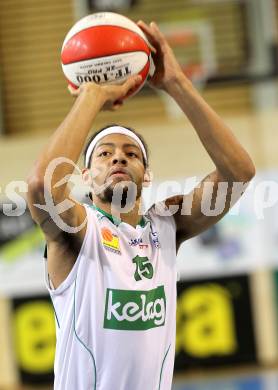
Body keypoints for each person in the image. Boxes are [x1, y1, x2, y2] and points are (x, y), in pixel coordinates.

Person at [27, 21, 255, 390]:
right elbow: (41, 186)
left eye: (131, 154)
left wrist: (177, 84)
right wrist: (93, 95)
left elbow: (239, 172)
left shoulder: (166, 226)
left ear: (146, 175)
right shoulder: (77, 231)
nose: (119, 158)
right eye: (105, 153)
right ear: (85, 175)